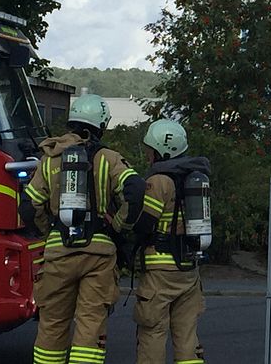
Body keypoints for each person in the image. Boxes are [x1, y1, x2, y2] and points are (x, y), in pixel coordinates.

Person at [21, 94, 145, 364]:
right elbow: (135, 190)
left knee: (52, 323)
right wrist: (119, 226)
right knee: (90, 324)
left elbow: (29, 207)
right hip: (98, 255)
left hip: (58, 252)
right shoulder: (109, 158)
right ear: (99, 125)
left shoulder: (49, 160)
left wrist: (49, 232)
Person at [133, 119, 211, 364]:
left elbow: (144, 224)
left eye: (150, 150)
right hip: (189, 270)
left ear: (161, 151)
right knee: (187, 335)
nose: (148, 156)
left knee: (153, 332)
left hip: (160, 271)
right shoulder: (195, 180)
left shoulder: (159, 182)